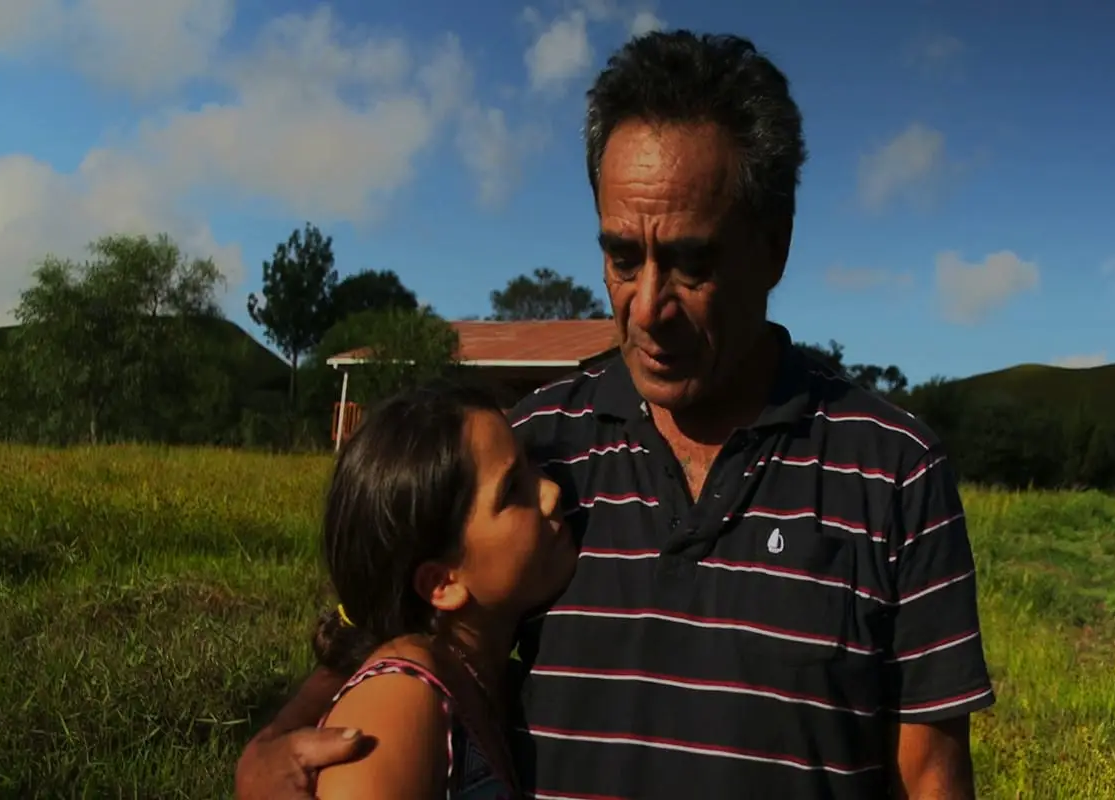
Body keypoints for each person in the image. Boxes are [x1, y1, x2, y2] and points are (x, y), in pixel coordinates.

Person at [236, 30, 995, 800]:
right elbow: (387, 623)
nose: (647, 306)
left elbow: (932, 775)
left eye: (693, 264)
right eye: (623, 257)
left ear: (775, 248)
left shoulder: (893, 470)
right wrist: (267, 749)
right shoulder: (533, 456)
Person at [308, 380, 576, 798]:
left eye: (530, 467)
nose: (551, 492)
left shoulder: (476, 684)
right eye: (512, 491)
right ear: (442, 583)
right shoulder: (398, 702)